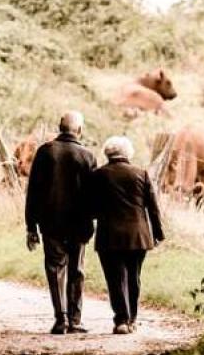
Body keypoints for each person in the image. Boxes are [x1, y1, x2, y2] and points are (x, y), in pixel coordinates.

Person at [24, 111, 97, 334]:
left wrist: (31, 226)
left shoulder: (46, 152)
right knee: (77, 270)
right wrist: (93, 219)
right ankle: (75, 320)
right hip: (79, 223)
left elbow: (33, 192)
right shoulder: (87, 156)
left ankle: (60, 319)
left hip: (51, 222)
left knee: (55, 269)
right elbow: (94, 195)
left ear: (59, 126)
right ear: (80, 131)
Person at [91, 136, 165, 334]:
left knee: (115, 278)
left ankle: (121, 320)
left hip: (109, 235)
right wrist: (158, 233)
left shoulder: (98, 175)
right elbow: (153, 207)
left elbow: (91, 207)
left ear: (108, 153)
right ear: (128, 153)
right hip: (138, 235)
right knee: (134, 276)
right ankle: (132, 318)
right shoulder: (141, 174)